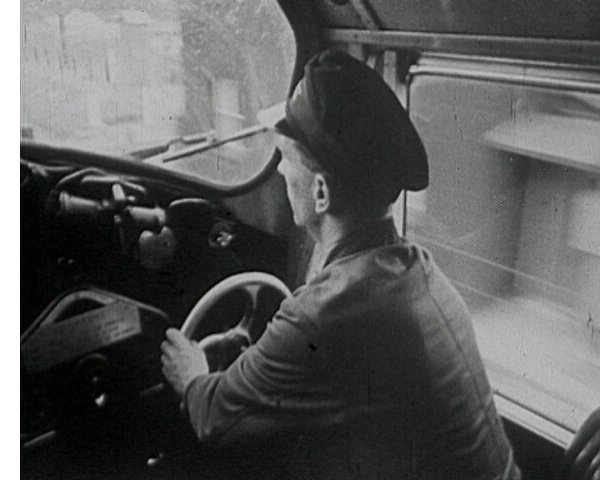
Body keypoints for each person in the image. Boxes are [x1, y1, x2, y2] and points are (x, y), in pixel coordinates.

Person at [161, 49, 520, 479]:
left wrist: (191, 374)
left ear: (321, 193)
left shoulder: (323, 315)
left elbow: (213, 419)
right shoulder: (418, 268)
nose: (280, 172)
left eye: (286, 158)